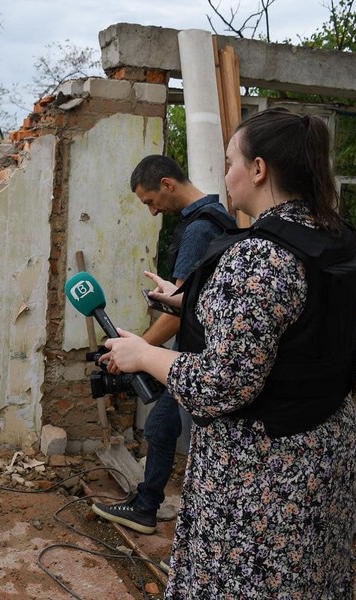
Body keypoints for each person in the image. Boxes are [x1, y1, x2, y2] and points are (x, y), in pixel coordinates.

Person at [100, 107, 356, 597]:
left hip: (265, 472)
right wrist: (194, 297)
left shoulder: (259, 256)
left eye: (230, 163)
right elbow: (292, 322)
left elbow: (219, 383)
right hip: (327, 446)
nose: (225, 176)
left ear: (259, 169)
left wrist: (142, 354)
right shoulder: (333, 238)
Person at [92, 155, 234, 535]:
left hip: (197, 355)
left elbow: (178, 312)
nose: (153, 212)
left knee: (159, 427)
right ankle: (152, 504)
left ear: (168, 184)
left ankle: (147, 508)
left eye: (150, 201)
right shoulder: (220, 218)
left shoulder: (198, 231)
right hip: (211, 351)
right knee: (165, 426)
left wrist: (136, 353)